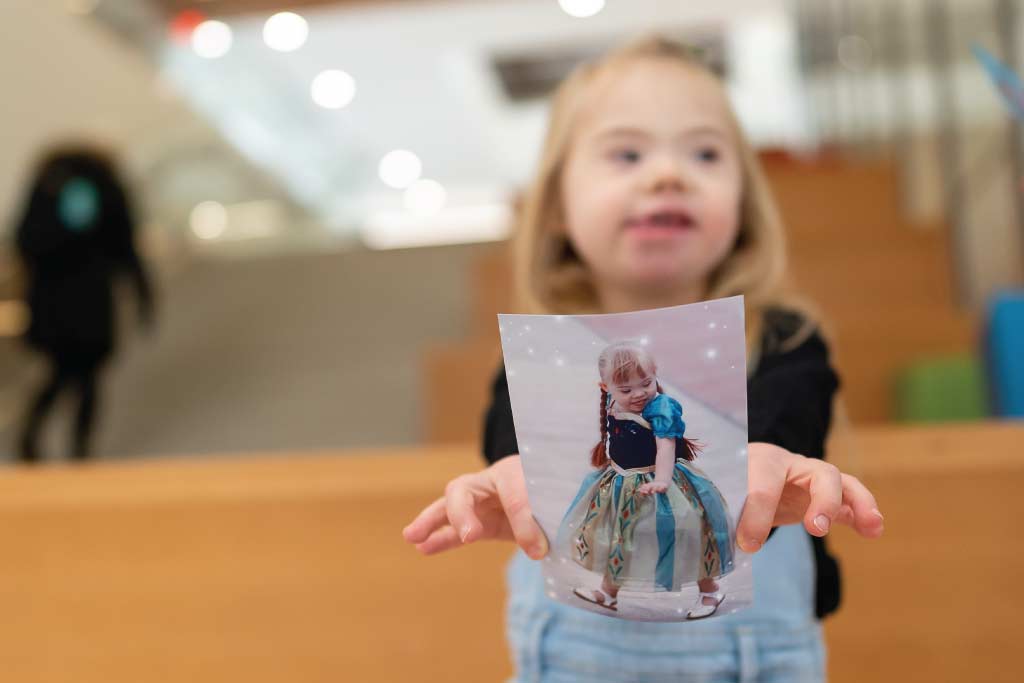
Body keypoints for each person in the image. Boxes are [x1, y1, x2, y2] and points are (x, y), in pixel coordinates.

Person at [404, 35, 884, 681]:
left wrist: (769, 463)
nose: (668, 174)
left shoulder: (784, 339)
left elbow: (789, 421)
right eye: (627, 153)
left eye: (705, 153)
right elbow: (507, 442)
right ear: (555, 211)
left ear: (742, 204)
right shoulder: (545, 353)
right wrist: (508, 477)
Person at [556, 340, 735, 618]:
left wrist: (662, 480)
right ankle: (608, 592)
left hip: (658, 481)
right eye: (627, 389)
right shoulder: (613, 405)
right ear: (606, 388)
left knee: (684, 534)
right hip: (622, 483)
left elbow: (666, 446)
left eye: (646, 383)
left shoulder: (661, 408)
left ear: (655, 375)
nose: (639, 394)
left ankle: (710, 590)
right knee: (620, 536)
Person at [13, 144, 154, 463]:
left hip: (54, 299)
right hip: (88, 299)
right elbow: (127, 249)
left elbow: (23, 242)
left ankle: (39, 439)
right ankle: (77, 449)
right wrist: (144, 295)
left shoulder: (49, 188)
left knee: (67, 373)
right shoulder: (103, 189)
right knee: (84, 376)